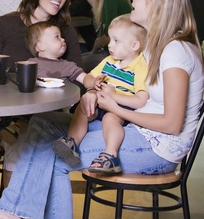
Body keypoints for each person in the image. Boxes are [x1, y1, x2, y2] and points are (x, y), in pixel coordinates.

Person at [0, 0, 204, 219]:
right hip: (135, 132)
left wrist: (116, 109)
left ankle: (11, 213)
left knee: (53, 153)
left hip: (156, 148)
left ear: (158, 5)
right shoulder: (155, 44)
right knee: (42, 124)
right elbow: (121, 81)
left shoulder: (175, 51)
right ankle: (14, 212)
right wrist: (91, 93)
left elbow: (172, 124)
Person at [0, 0, 83, 183]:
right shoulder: (5, 24)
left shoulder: (65, 32)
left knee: (25, 142)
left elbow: (78, 81)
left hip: (48, 111)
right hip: (8, 110)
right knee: (20, 144)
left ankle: (11, 211)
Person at [0, 21, 94, 167]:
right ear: (40, 46)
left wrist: (94, 82)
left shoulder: (67, 66)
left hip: (51, 108)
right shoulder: (30, 63)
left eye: (62, 37)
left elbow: (84, 77)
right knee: (0, 119)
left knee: (33, 119)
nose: (63, 40)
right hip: (28, 105)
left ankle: (15, 129)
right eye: (57, 37)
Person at [53, 14, 149, 173]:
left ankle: (110, 155)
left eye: (116, 41)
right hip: (102, 102)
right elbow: (90, 75)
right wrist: (94, 82)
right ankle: (72, 143)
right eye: (110, 39)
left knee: (110, 118)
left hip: (123, 108)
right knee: (84, 106)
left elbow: (141, 101)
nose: (110, 45)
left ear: (135, 45)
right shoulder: (110, 61)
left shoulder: (140, 67)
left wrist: (113, 97)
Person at [79, 0, 132, 71]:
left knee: (75, 64)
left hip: (117, 54)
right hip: (121, 51)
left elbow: (109, 33)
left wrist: (98, 43)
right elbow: (102, 10)